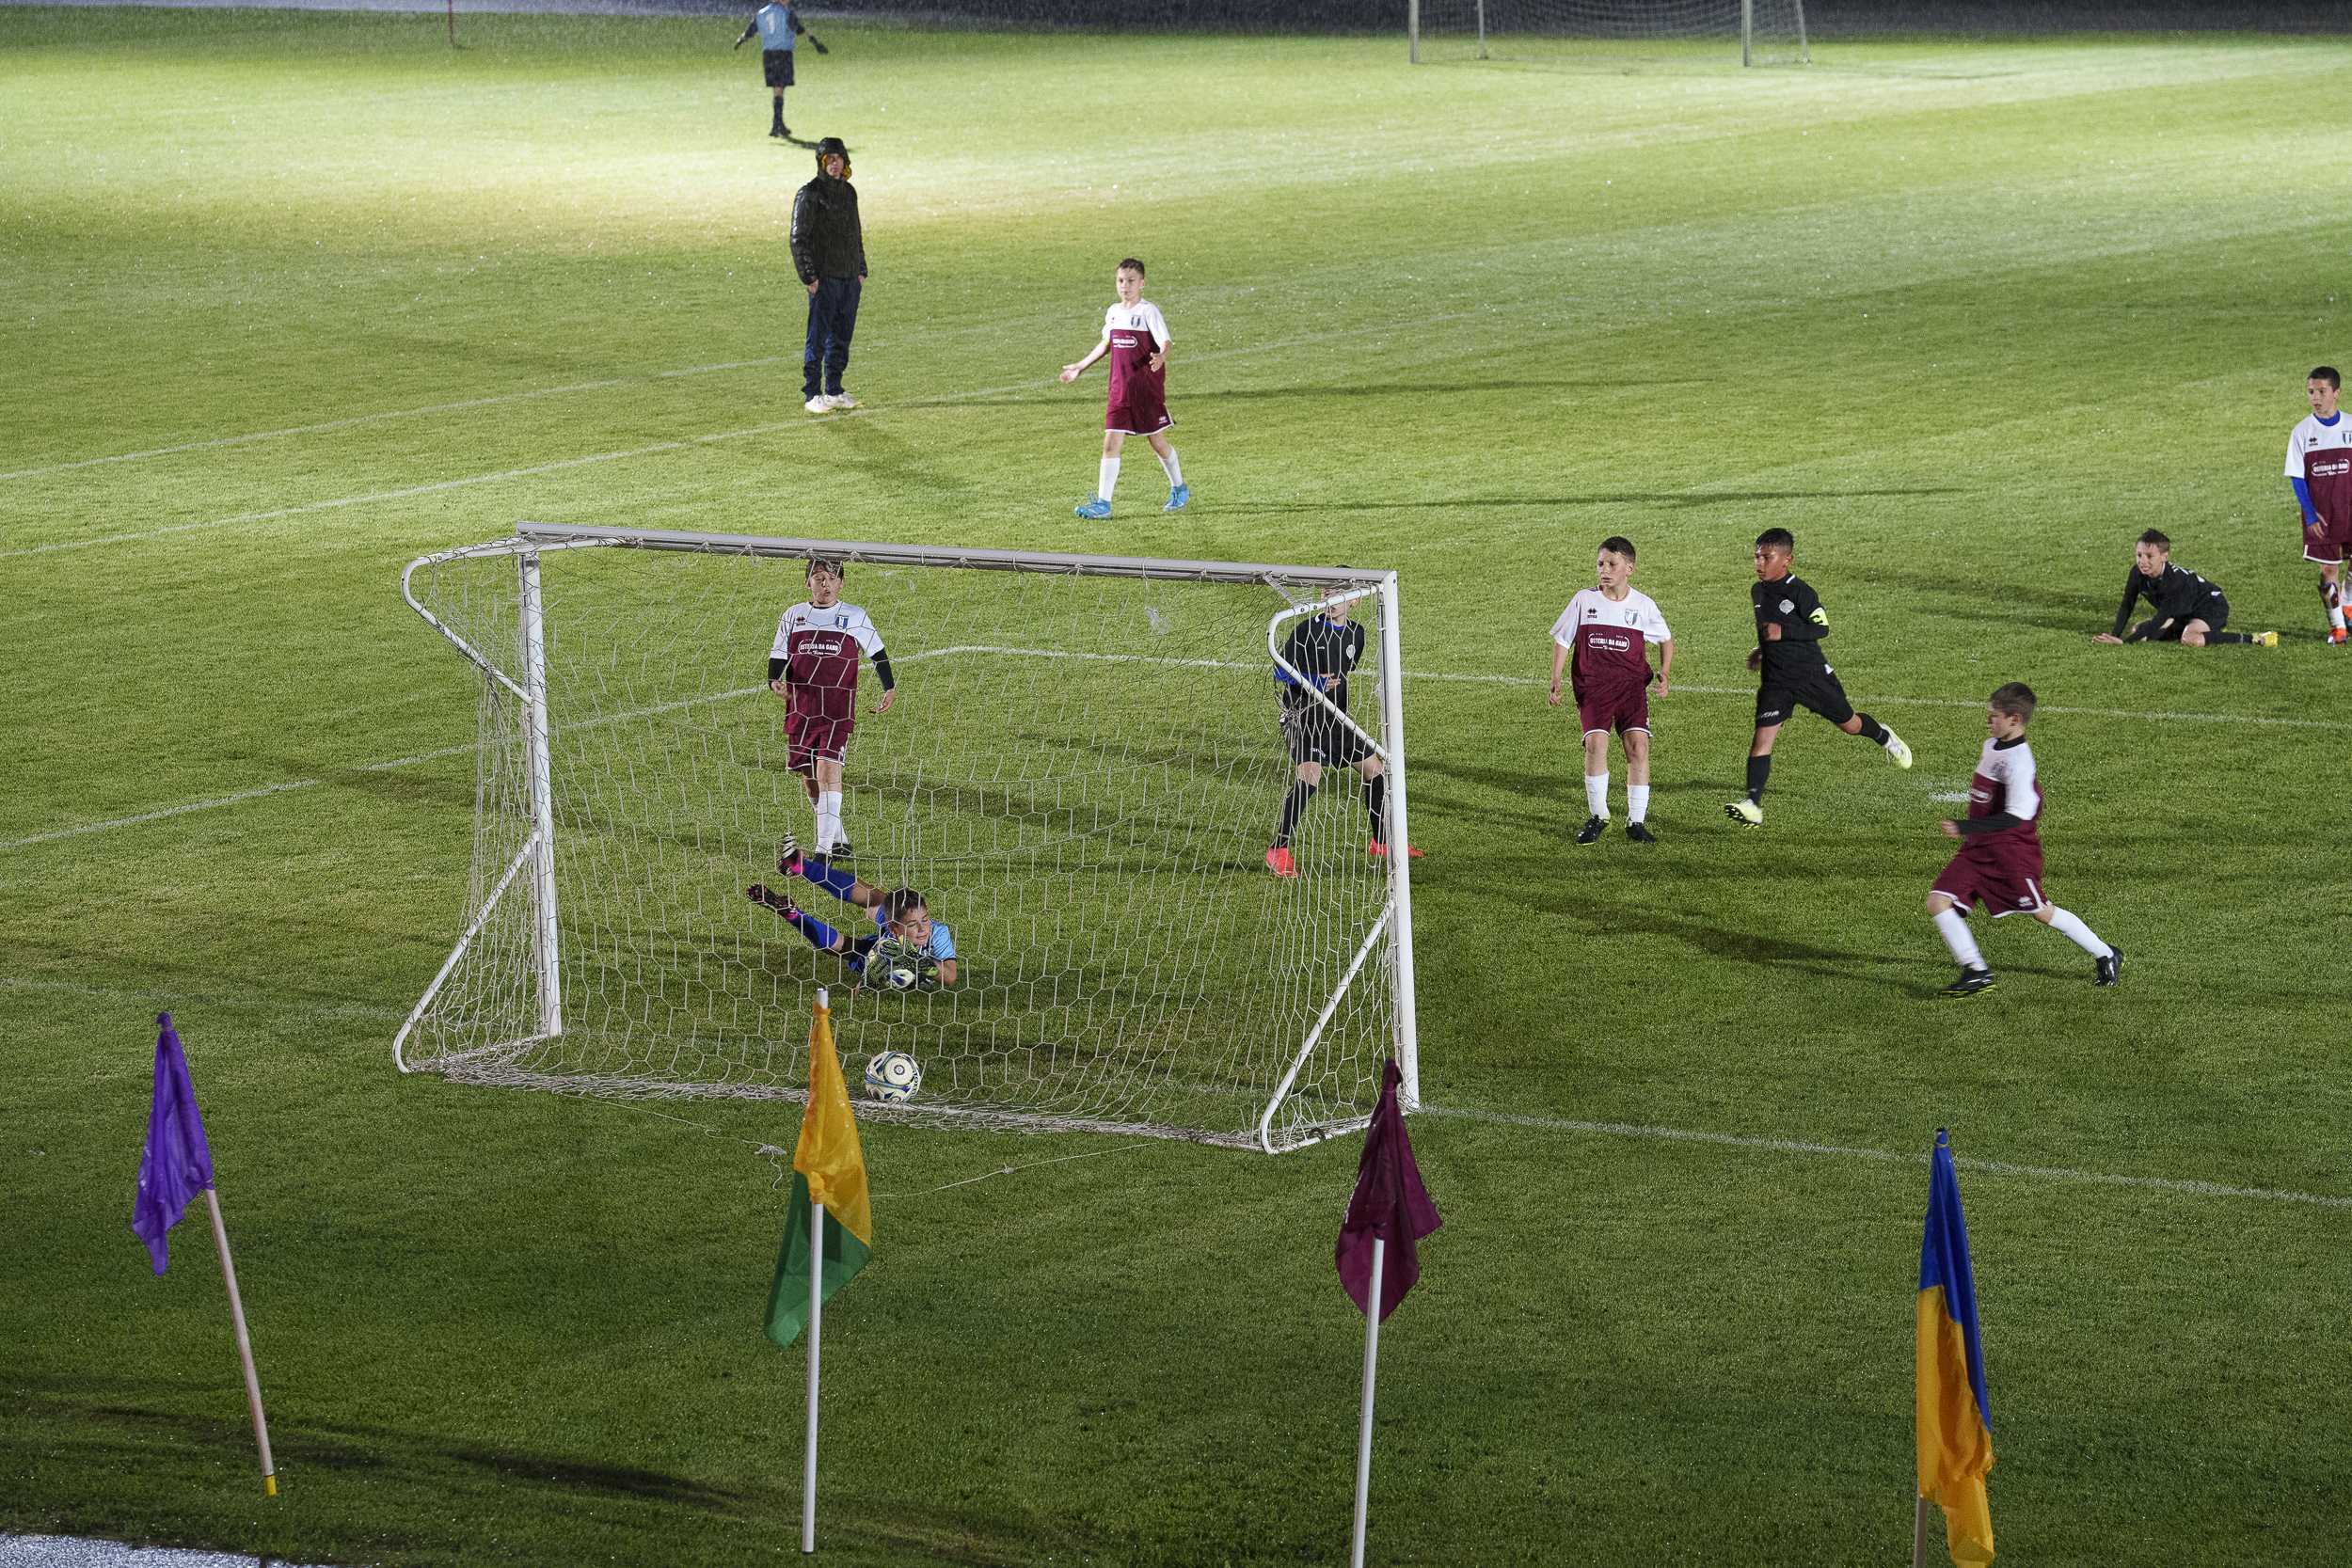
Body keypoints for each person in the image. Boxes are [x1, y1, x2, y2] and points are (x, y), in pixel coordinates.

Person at [1926, 683, 2119, 998]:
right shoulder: (1992, 745)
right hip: (1978, 849)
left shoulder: (2019, 762)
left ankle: (2105, 953)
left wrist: (1965, 826)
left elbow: (2017, 816)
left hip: (2010, 854)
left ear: (2014, 720)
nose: (1988, 721)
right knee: (1938, 901)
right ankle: (1976, 971)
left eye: (1994, 716)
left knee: (2042, 911)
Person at [1724, 528, 1911, 828]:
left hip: (1811, 676)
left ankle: (1884, 736)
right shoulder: (1757, 591)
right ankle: (1753, 805)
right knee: (1762, 740)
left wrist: (1783, 632)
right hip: (1776, 681)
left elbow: (1821, 628)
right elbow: (1769, 630)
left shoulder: (1801, 592)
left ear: (1786, 559)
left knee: (1850, 724)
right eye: (1756, 557)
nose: (1759, 563)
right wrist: (1762, 649)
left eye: (1766, 557)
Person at [1264, 592, 1419, 878]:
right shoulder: (1307, 630)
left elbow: (1345, 670)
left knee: (1375, 769)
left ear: (1354, 600)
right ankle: (1278, 850)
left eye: (1339, 595)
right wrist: (1314, 681)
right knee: (1310, 775)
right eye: (1327, 594)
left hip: (1335, 717)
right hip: (1301, 716)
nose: (1331, 600)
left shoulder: (1356, 634)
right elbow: (1280, 671)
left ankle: (1382, 842)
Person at [1549, 535, 1674, 845]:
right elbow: (1563, 639)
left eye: (1611, 564)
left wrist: (1665, 672)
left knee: (1638, 748)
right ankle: (1598, 816)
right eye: (1600, 564)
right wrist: (1556, 678)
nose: (1604, 570)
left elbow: (1665, 639)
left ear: (1629, 568)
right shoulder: (1584, 600)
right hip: (1594, 687)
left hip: (1631, 688)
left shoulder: (1643, 605)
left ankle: (1636, 822)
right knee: (1595, 745)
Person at [769, 556, 895, 862]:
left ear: (841, 583)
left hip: (837, 710)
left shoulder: (854, 616)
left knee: (828, 768)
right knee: (810, 777)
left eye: (831, 578)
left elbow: (877, 653)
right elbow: (778, 654)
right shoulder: (793, 615)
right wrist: (773, 681)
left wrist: (889, 687)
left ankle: (823, 850)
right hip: (801, 709)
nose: (825, 584)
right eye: (818, 578)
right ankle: (839, 841)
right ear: (807, 583)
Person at [1061, 258, 1187, 519]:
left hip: (1146, 391)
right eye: (1120, 280)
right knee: (1110, 444)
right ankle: (1103, 504)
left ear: (1142, 283)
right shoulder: (1113, 312)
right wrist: (1080, 366)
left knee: (1157, 442)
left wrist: (1161, 356)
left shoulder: (1148, 312)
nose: (1125, 286)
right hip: (1119, 391)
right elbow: (1106, 344)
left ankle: (1180, 488)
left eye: (1130, 281)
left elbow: (1166, 342)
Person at [749, 832, 959, 990]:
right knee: (878, 904)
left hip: (885, 960)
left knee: (847, 946)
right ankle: (800, 872)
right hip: (888, 945)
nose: (923, 929)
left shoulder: (937, 932)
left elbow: (950, 977)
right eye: (913, 924)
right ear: (893, 928)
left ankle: (795, 912)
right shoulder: (889, 942)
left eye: (926, 920)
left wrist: (914, 961)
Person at [2092, 531, 2274, 648]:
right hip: (2182, 612)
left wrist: (2123, 643)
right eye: (2139, 555)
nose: (2142, 561)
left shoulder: (2175, 582)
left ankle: (2253, 638)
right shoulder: (2137, 573)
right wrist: (2114, 635)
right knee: (2138, 630)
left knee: (2190, 639)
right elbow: (2127, 604)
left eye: (2149, 556)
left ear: (2164, 556)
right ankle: (2203, 631)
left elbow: (2161, 618)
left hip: (2211, 606)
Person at [791, 137, 866, 416]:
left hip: (849, 277)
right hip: (825, 278)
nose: (834, 164)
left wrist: (861, 269)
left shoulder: (849, 193)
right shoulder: (809, 194)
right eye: (829, 159)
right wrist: (809, 276)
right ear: (822, 163)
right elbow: (798, 238)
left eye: (838, 159)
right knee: (818, 336)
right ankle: (812, 393)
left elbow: (855, 233)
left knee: (842, 336)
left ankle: (834, 390)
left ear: (845, 161)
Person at [2286, 365, 2352, 644]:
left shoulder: (2350, 425)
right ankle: (2337, 627)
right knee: (2328, 570)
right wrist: (2310, 515)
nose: (2315, 397)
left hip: (2350, 510)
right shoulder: (2302, 432)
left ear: (2336, 392)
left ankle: (2347, 606)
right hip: (2323, 516)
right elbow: (2297, 478)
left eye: (2322, 391)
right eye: (2311, 391)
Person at [732, 2, 826, 141]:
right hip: (783, 53)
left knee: (777, 89)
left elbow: (750, 31)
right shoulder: (786, 13)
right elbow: (799, 29)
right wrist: (815, 42)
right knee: (779, 88)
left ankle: (779, 124)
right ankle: (776, 124)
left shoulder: (762, 13)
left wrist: (740, 40)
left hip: (768, 54)